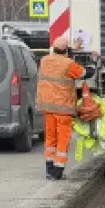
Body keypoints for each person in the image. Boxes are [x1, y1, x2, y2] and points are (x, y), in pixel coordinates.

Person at [37, 35, 88, 181]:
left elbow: (58, 57)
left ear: (53, 48)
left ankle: (49, 170)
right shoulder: (69, 64)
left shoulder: (44, 61)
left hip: (48, 107)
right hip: (63, 109)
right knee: (63, 140)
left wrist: (70, 49)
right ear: (66, 50)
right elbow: (83, 73)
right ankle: (58, 171)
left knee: (50, 139)